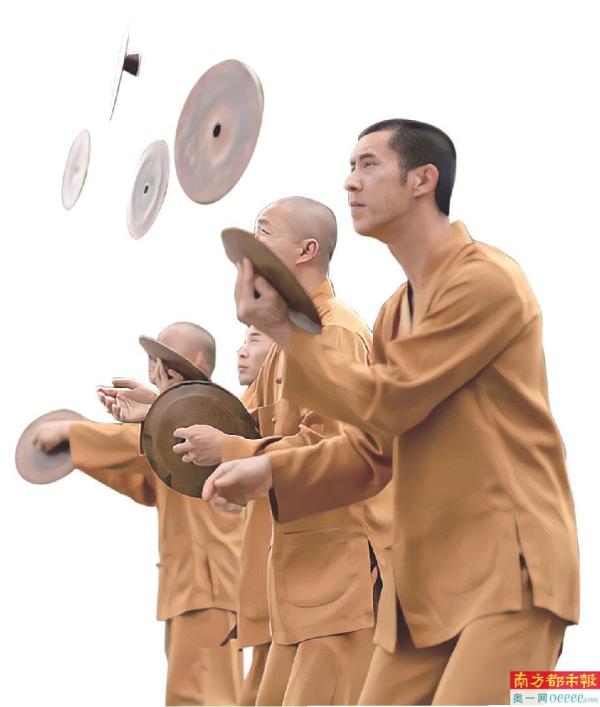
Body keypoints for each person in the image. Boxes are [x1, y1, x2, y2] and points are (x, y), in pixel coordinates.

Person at [202, 121, 580, 705]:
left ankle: (576, 694)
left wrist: (281, 327)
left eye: (368, 164)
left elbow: (391, 400)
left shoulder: (485, 281)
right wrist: (269, 471)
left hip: (508, 569)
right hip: (420, 589)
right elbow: (373, 450)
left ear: (422, 180)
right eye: (350, 168)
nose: (350, 182)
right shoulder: (394, 314)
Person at [173, 197, 393, 706]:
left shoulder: (334, 333)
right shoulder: (290, 341)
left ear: (306, 250)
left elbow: (336, 448)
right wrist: (163, 410)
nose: (252, 247)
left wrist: (231, 450)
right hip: (296, 581)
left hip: (341, 579)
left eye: (264, 232)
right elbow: (242, 423)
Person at [33, 322, 244, 706]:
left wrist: (72, 434)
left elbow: (135, 444)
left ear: (198, 362)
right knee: (193, 692)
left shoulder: (210, 419)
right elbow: (147, 483)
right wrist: (82, 456)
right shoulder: (168, 427)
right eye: (154, 360)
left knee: (203, 696)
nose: (156, 370)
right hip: (193, 585)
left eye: (166, 360)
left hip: (207, 584)